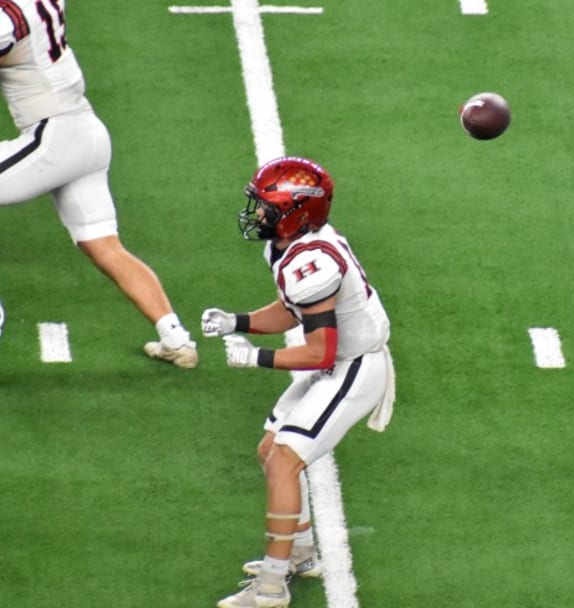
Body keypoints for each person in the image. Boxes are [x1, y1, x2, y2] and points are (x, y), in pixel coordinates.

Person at [203, 157, 395, 608]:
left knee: (286, 460)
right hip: (340, 362)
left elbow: (319, 352)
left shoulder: (313, 261)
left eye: (268, 206)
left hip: (355, 367)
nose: (260, 214)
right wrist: (239, 321)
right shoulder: (293, 250)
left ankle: (271, 587)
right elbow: (294, 309)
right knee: (270, 450)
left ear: (296, 212)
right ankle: (302, 553)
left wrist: (256, 360)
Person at [0, 0, 197, 367]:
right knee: (105, 247)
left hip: (53, 137)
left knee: (105, 246)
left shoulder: (9, 16)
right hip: (85, 131)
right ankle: (177, 339)